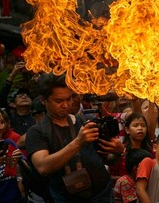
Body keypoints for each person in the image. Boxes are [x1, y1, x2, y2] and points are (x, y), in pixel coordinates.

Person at [26, 73, 124, 202]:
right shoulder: (37, 132)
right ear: (44, 100)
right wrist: (78, 142)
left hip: (102, 195)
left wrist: (118, 151)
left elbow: (108, 159)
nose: (66, 105)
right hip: (66, 198)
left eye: (69, 99)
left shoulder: (86, 122)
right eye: (59, 101)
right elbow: (43, 167)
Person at [0, 61, 36, 136]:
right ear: (13, 104)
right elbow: (2, 98)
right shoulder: (9, 118)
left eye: (27, 96)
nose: (24, 96)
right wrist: (13, 75)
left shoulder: (37, 117)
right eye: (19, 96)